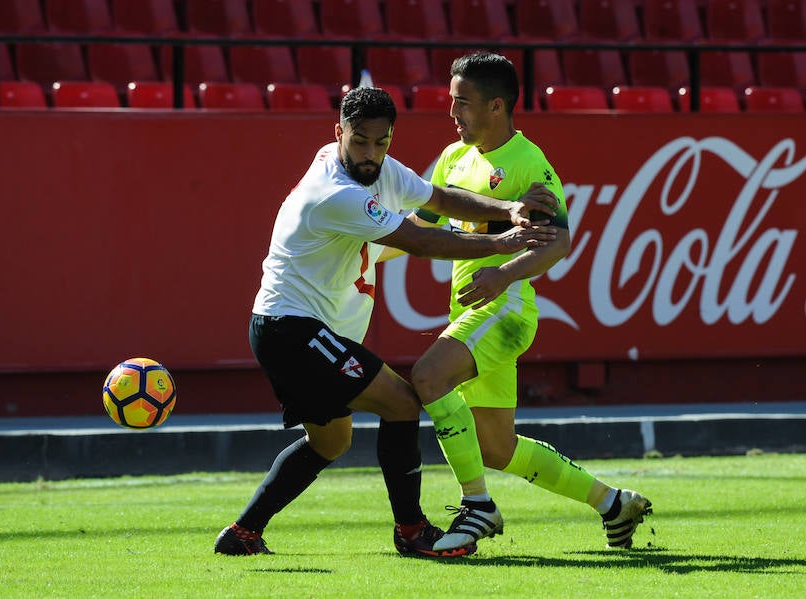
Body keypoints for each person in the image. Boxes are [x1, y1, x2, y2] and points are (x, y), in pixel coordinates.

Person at [214, 86, 561, 558]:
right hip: (291, 331)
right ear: (339, 133)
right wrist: (501, 245)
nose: (371, 153)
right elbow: (420, 241)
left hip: (289, 329)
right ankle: (412, 531)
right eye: (360, 142)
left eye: (381, 143)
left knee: (331, 442)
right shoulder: (335, 192)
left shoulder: (373, 167)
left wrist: (507, 209)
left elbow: (438, 198)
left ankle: (242, 534)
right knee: (401, 403)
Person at [407, 52, 653, 553]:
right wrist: (358, 253)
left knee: (428, 377)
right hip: (474, 313)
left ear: (495, 105)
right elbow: (417, 233)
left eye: (462, 104)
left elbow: (559, 242)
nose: (452, 114)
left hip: (504, 310)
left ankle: (477, 507)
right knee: (497, 448)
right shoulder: (454, 158)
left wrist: (502, 275)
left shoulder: (528, 162)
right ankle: (612, 502)